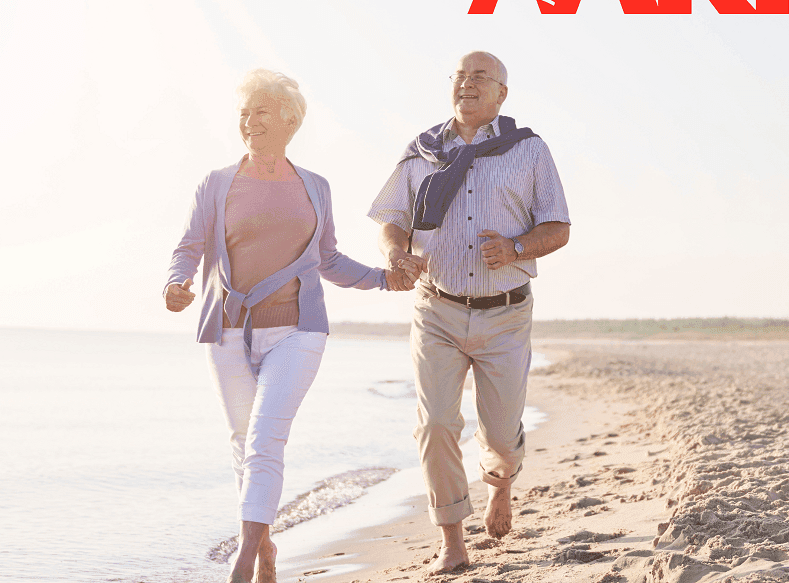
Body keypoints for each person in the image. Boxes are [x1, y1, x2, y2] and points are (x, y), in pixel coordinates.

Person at [164, 69, 410, 583]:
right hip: (227, 331)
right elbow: (189, 247)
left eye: (260, 112)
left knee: (264, 440)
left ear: (288, 121)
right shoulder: (216, 183)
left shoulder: (315, 187)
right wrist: (176, 284)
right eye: (243, 113)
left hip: (299, 331)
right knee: (242, 441)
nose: (248, 122)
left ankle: (243, 560)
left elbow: (330, 260)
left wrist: (384, 280)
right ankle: (265, 543)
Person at [368, 51, 571, 573]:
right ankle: (452, 542)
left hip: (505, 313)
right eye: (460, 75)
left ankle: (500, 484)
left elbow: (558, 227)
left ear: (502, 94)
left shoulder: (527, 150)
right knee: (435, 423)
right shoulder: (422, 151)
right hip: (436, 308)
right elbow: (391, 216)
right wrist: (395, 254)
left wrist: (517, 248)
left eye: (481, 77)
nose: (468, 83)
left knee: (501, 436)